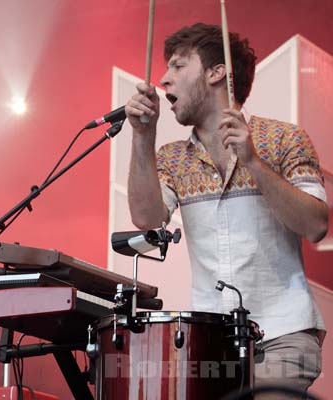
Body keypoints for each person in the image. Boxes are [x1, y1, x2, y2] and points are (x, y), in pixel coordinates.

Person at [125, 23, 328, 398]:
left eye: (178, 66)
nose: (164, 80)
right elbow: (147, 220)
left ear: (217, 72)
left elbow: (316, 225)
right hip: (209, 341)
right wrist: (142, 135)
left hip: (282, 334)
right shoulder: (170, 158)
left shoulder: (284, 139)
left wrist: (252, 161)